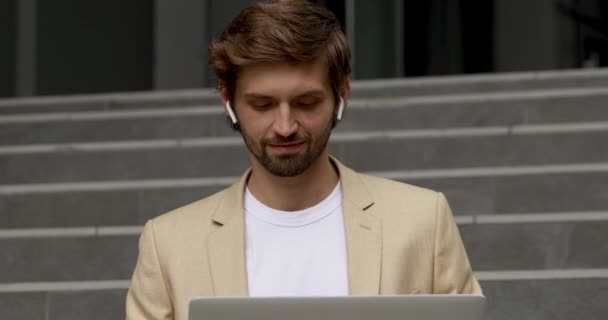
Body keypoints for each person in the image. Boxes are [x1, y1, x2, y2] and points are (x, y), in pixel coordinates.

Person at [126, 1, 482, 319]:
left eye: (306, 102)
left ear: (342, 93)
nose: (284, 126)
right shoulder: (169, 244)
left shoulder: (423, 220)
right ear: (227, 100)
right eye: (262, 105)